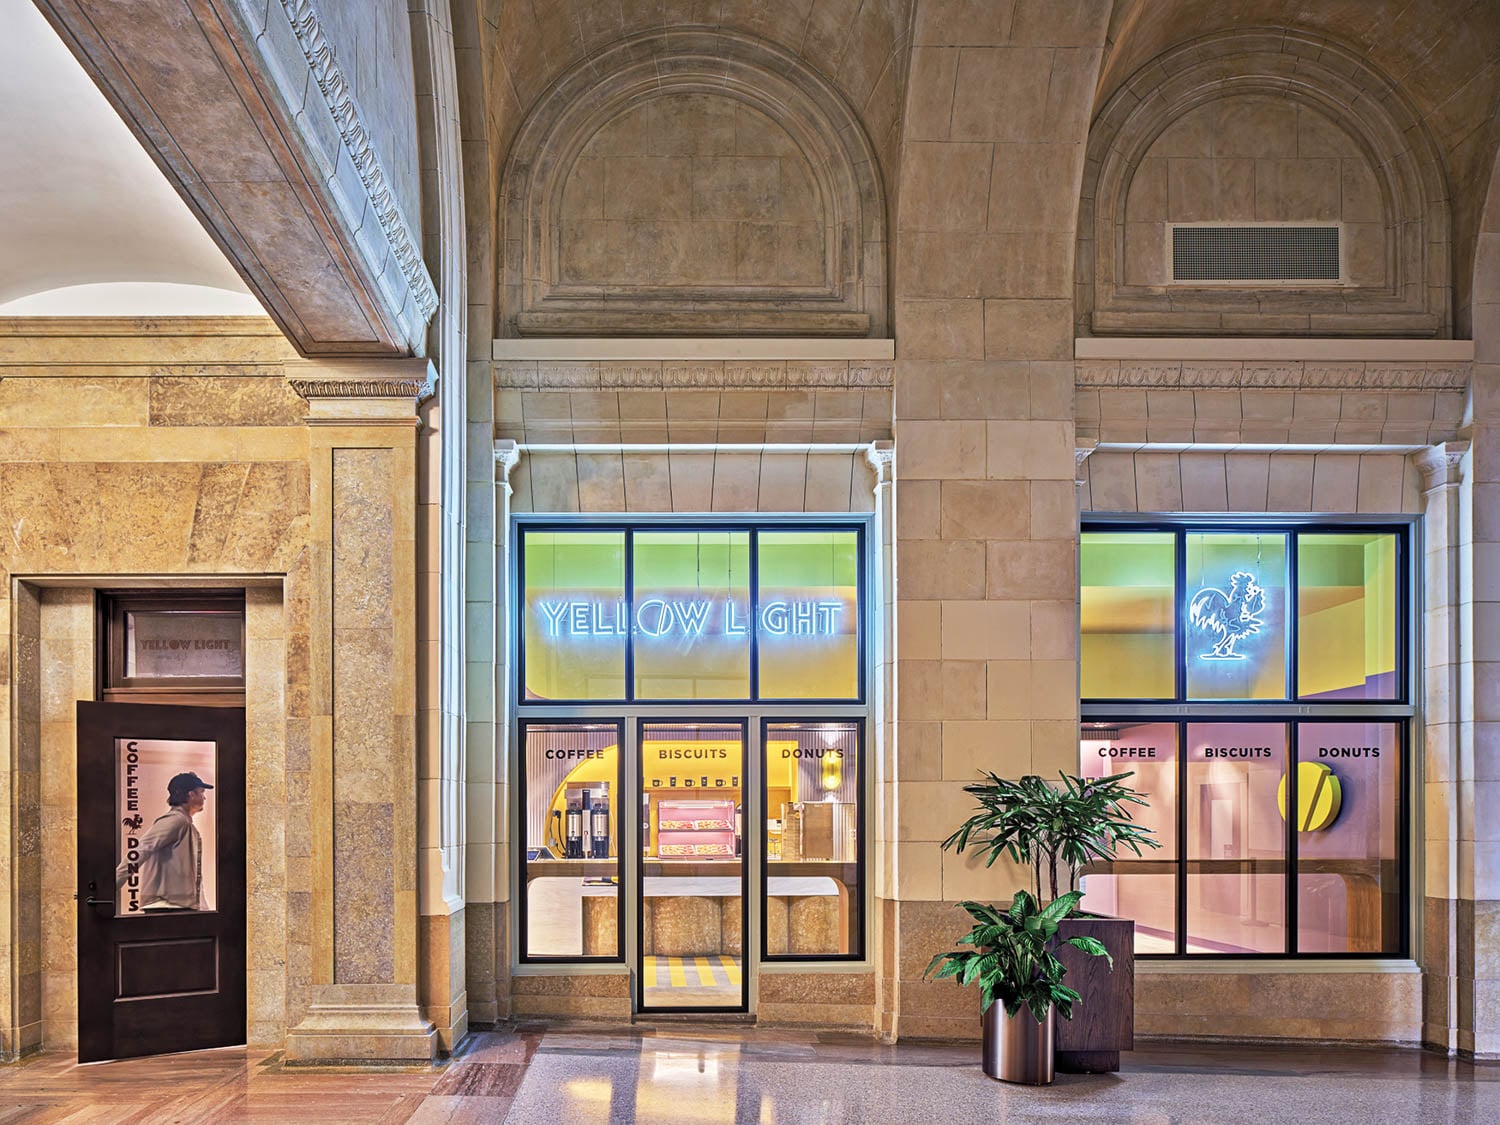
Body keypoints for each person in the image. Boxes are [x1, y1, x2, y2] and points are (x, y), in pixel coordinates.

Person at [116, 771, 213, 911]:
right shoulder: (175, 820)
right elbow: (141, 850)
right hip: (167, 908)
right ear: (191, 795)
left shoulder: (183, 822)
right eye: (201, 792)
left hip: (175, 907)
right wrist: (111, 886)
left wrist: (202, 908)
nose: (204, 797)